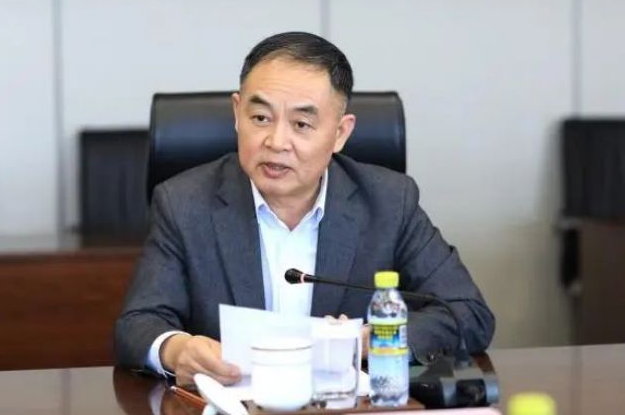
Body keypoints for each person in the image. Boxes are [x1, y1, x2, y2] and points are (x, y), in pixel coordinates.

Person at [115, 31, 495, 386]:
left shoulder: (389, 202)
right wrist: (176, 349)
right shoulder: (183, 203)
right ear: (237, 113)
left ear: (340, 133)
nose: (277, 141)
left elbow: (468, 312)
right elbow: (138, 323)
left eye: (301, 124)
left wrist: (374, 339)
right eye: (260, 118)